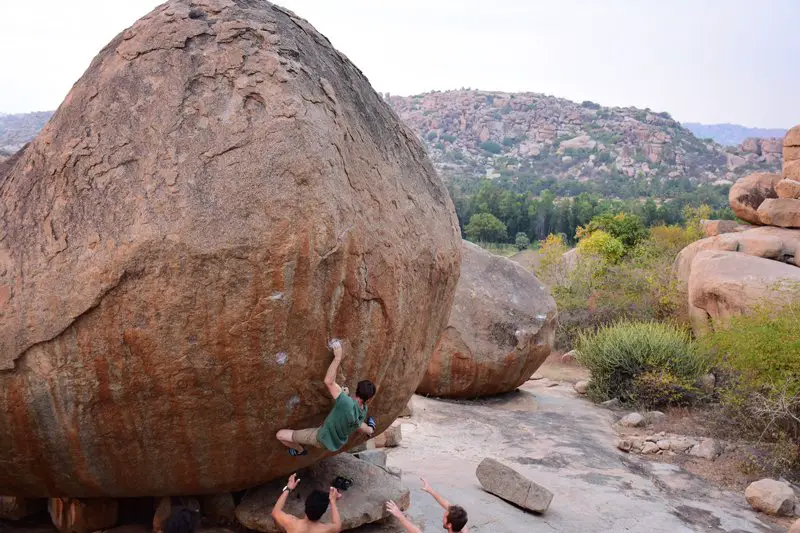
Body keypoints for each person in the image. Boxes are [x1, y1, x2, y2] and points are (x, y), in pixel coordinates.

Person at [276, 340, 376, 456]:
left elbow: (328, 381)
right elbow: (358, 424)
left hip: (321, 438)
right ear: (367, 399)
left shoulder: (346, 402)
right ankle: (371, 429)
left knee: (281, 435)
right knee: (361, 426)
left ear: (357, 389)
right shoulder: (363, 409)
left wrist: (337, 358)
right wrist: (347, 397)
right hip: (337, 441)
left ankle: (300, 451)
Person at [385, 477, 468, 533]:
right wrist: (431, 490)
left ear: (449, 525)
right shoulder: (463, 528)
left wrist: (399, 515)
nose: (442, 516)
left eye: (445, 516)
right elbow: (448, 505)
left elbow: (417, 532)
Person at [270, 473, 342, 533]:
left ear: (306, 505)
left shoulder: (292, 524)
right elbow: (338, 526)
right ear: (324, 511)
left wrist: (288, 488)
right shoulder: (325, 529)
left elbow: (275, 512)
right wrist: (333, 501)